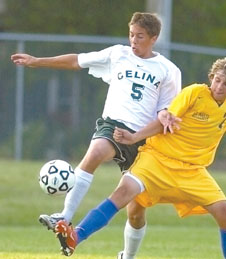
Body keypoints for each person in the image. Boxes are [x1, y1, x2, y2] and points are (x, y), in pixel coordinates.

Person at [53, 54, 226, 259]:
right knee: (126, 199)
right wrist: (135, 137)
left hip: (192, 171)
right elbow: (165, 119)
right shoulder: (194, 93)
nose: (220, 86)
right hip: (157, 160)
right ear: (211, 77)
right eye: (218, 80)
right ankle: (75, 237)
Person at [11, 12, 181, 231]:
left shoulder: (169, 70)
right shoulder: (117, 54)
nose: (133, 41)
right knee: (96, 153)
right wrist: (37, 61)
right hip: (113, 126)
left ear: (154, 38)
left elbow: (165, 111)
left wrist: (165, 115)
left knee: (136, 212)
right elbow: (77, 61)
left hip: (142, 140)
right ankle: (63, 217)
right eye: (131, 35)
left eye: (139, 36)